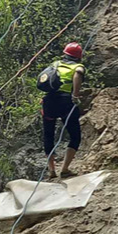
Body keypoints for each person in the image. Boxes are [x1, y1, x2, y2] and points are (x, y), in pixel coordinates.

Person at [41, 42, 85, 179]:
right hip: (66, 102)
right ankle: (65, 169)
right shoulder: (78, 67)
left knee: (48, 134)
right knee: (75, 135)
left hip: (49, 101)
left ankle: (51, 170)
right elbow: (78, 74)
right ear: (79, 57)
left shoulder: (55, 64)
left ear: (65, 54)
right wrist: (75, 95)